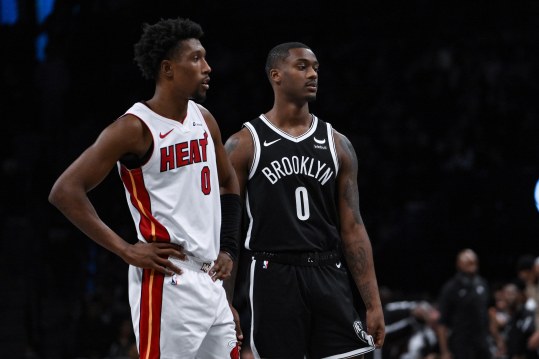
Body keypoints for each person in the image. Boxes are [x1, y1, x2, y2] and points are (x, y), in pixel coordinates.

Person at [48, 17, 242, 359]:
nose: (207, 67)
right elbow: (65, 191)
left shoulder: (205, 119)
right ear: (168, 68)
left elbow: (229, 183)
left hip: (210, 280)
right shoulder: (133, 128)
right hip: (167, 280)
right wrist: (125, 249)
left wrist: (227, 251)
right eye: (196, 58)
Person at [225, 42, 385, 358]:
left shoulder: (337, 144)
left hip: (328, 268)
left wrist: (373, 302)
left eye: (315, 68)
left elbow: (353, 227)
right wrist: (224, 301)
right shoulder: (243, 144)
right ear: (276, 76)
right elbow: (227, 229)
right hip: (273, 273)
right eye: (302, 66)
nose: (312, 74)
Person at [436, 248, 502, 359]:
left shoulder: (483, 284)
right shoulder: (450, 288)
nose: (472, 264)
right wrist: (444, 351)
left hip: (482, 340)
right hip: (461, 343)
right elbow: (442, 323)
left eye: (474, 261)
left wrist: (498, 339)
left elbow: (490, 312)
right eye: (468, 262)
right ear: (459, 264)